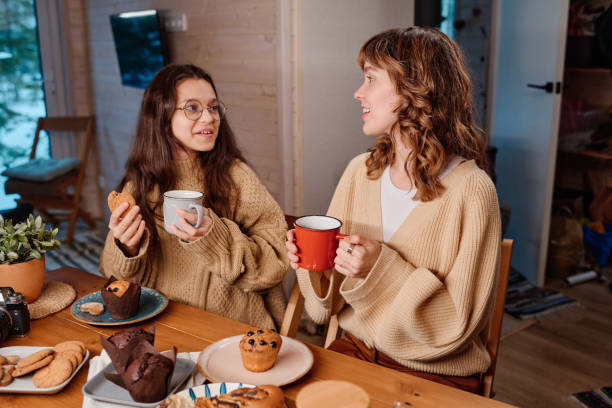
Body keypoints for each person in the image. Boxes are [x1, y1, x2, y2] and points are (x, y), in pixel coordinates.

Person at [286, 27, 501, 393]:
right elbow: (323, 311)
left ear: (414, 88)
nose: (358, 92)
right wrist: (314, 265)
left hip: (434, 374)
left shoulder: (473, 192)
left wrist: (377, 268)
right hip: (352, 353)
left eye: (370, 79)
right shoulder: (360, 172)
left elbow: (455, 329)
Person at [100, 64, 289, 330]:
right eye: (192, 108)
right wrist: (126, 248)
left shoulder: (237, 177)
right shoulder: (140, 184)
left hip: (231, 329)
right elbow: (114, 279)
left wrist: (215, 238)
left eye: (213, 107)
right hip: (159, 325)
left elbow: (277, 264)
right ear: (161, 117)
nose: (209, 118)